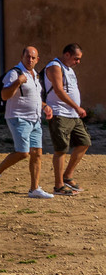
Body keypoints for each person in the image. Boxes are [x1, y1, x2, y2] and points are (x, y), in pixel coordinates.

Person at [0, 46, 55, 199]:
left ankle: (34, 189)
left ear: (37, 60)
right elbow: (4, 95)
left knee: (37, 154)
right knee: (23, 152)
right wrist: (18, 82)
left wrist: (45, 107)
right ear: (22, 56)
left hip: (35, 119)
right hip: (18, 117)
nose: (30, 60)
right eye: (27, 57)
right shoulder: (14, 73)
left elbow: (35, 98)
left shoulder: (35, 75)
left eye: (33, 58)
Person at [44, 44, 90, 195]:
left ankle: (68, 176)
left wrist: (75, 110)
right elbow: (58, 90)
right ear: (67, 55)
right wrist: (77, 107)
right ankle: (58, 186)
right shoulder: (54, 66)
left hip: (73, 115)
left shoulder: (69, 69)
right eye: (76, 58)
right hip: (60, 113)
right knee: (61, 149)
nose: (78, 62)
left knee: (84, 143)